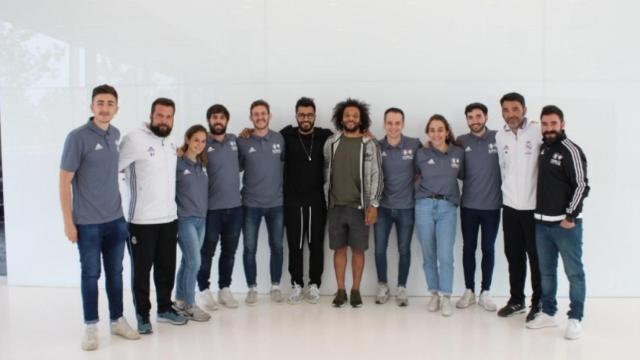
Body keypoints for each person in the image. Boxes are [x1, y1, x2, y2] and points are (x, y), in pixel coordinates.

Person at [59, 84, 140, 351]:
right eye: (100, 103)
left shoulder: (115, 135)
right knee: (90, 274)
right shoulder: (77, 137)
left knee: (115, 274)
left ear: (117, 109)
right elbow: (64, 181)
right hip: (88, 223)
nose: (105, 108)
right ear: (91, 106)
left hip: (116, 220)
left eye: (110, 103)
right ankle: (91, 326)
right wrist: (68, 222)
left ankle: (117, 320)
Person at [119, 97, 187, 334]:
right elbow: (113, 168)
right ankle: (142, 315)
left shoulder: (170, 141)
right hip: (141, 221)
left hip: (168, 218)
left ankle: (165, 309)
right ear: (151, 115)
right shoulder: (133, 139)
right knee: (141, 271)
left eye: (169, 116)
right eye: (160, 115)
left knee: (166, 267)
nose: (164, 120)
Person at [526, 105, 589, 340]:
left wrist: (570, 216)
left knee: (574, 273)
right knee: (547, 272)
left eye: (553, 124)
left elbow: (582, 185)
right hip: (542, 224)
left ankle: (575, 318)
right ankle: (549, 313)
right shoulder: (543, 149)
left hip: (566, 226)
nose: (549, 128)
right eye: (545, 124)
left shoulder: (571, 150)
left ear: (562, 124)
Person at [323, 98, 383, 308]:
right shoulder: (331, 142)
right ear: (341, 118)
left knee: (358, 250)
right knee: (338, 250)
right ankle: (340, 290)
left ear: (361, 119)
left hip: (360, 208)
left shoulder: (369, 144)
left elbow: (377, 175)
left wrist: (373, 205)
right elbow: (325, 172)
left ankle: (355, 290)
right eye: (347, 115)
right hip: (336, 207)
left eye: (355, 115)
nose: (351, 118)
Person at [280, 97, 333, 304]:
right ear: (296, 116)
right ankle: (296, 284)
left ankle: (314, 284)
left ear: (314, 116)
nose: (305, 118)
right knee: (295, 245)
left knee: (316, 244)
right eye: (301, 115)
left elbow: (347, 138)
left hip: (317, 201)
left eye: (309, 115)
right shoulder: (286, 135)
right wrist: (246, 132)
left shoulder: (324, 136)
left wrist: (365, 133)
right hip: (292, 201)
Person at [495, 92, 542, 322]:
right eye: (506, 110)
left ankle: (538, 303)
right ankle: (516, 300)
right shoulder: (499, 136)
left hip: (533, 207)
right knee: (513, 255)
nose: (511, 114)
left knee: (535, 257)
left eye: (515, 109)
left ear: (524, 109)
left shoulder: (537, 130)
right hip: (510, 206)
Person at [236, 99, 286, 305]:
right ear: (251, 117)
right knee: (249, 248)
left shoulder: (280, 139)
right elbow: (236, 167)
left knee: (277, 246)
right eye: (255, 114)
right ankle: (252, 288)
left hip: (276, 203)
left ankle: (275, 286)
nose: (260, 117)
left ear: (269, 115)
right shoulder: (242, 141)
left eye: (263, 113)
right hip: (250, 204)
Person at [414, 114, 464, 317]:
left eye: (440, 129)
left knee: (445, 255)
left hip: (447, 208)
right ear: (428, 132)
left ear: (447, 131)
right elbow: (412, 175)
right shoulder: (420, 154)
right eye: (432, 130)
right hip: (424, 206)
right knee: (428, 254)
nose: (436, 133)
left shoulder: (458, 153)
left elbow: (468, 175)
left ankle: (446, 296)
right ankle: (433, 293)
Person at [455, 103, 501, 311]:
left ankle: (486, 292)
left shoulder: (499, 138)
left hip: (492, 206)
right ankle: (469, 291)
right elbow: (457, 170)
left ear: (486, 117)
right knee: (468, 249)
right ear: (466, 120)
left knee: (488, 249)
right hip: (469, 206)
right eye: (470, 117)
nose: (475, 120)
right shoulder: (461, 141)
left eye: (478, 116)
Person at [196, 105, 242, 310]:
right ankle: (204, 291)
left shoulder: (234, 140)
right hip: (211, 209)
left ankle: (225, 289)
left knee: (229, 252)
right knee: (207, 252)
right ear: (209, 120)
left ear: (227, 120)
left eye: (222, 117)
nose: (218, 121)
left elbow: (240, 164)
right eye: (214, 117)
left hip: (235, 207)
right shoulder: (202, 143)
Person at [374, 107, 421, 307]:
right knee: (379, 249)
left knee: (404, 249)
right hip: (382, 208)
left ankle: (402, 287)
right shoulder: (376, 146)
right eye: (390, 123)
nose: (393, 127)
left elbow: (421, 170)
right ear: (384, 124)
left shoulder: (415, 144)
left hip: (406, 208)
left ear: (403, 124)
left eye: (397, 123)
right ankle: (383, 285)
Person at [172, 125, 211, 322]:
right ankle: (190, 304)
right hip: (185, 219)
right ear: (187, 139)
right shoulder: (177, 162)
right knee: (195, 261)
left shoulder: (201, 165)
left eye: (203, 141)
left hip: (201, 220)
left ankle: (179, 299)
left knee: (187, 261)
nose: (199, 144)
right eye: (196, 139)